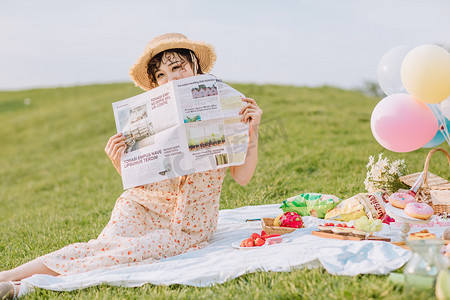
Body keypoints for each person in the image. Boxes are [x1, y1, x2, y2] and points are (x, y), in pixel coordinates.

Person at [0, 33, 262, 298]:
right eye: (161, 75)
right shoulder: (153, 117)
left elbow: (242, 177)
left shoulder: (226, 106)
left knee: (128, 253)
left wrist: (254, 132)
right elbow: (145, 182)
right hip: (141, 206)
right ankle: (8, 277)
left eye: (177, 67)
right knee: (105, 247)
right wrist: (120, 164)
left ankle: (22, 286)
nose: (170, 80)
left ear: (194, 64)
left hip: (188, 227)